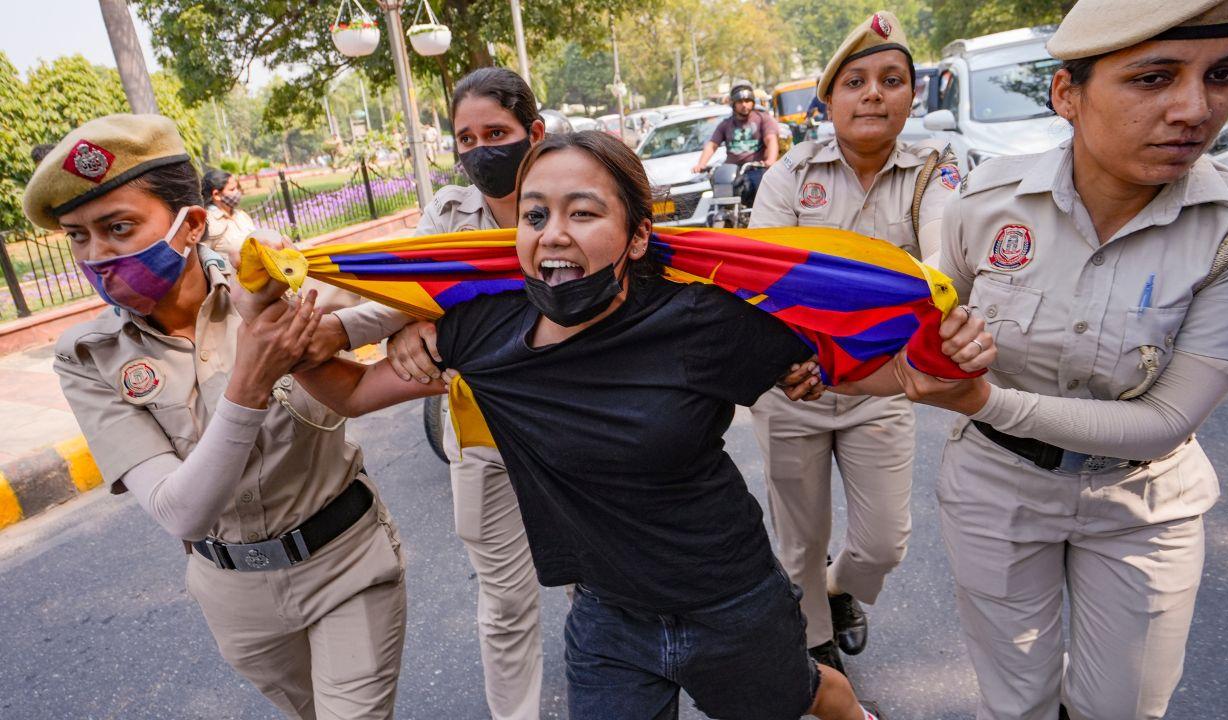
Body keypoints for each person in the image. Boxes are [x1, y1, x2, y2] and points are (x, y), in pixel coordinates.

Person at [252, 129, 995, 720]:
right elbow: (348, 395)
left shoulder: (697, 321)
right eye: (537, 214)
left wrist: (920, 373)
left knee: (805, 694)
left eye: (584, 212)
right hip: (607, 619)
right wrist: (275, 325)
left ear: (637, 237)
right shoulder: (480, 332)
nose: (553, 234)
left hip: (731, 604)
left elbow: (828, 370)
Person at [907, 1, 1228, 717]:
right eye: (1153, 78)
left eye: (1224, 74)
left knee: (1125, 709)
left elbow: (1165, 420)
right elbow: (930, 317)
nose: (1194, 110)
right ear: (1066, 94)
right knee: (1016, 705)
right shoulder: (984, 201)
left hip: (1145, 504)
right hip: (998, 489)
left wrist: (984, 399)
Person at [24, 114, 407, 720]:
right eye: (77, 236)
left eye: (118, 228)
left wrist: (403, 339)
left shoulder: (276, 289)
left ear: (192, 224)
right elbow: (182, 510)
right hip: (234, 593)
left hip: (344, 562)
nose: (97, 256)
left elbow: (417, 293)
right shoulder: (88, 358)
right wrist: (251, 381)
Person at [317, 67, 552, 720]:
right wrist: (331, 330)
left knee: (599, 581)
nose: (481, 150)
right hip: (482, 436)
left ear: (533, 133)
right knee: (504, 602)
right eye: (466, 137)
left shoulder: (572, 196)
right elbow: (398, 300)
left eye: (497, 133)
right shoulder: (450, 216)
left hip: (578, 427)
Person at [748, 10, 960, 674]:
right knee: (799, 542)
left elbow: (945, 267)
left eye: (891, 80)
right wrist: (785, 360)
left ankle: (842, 592)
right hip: (794, 385)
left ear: (911, 96)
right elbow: (761, 284)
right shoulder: (791, 175)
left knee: (883, 544)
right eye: (856, 81)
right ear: (829, 100)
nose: (873, 93)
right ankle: (818, 653)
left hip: (880, 386)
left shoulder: (935, 169)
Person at [691, 83, 780, 208]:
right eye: (740, 101)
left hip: (756, 169)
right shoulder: (726, 124)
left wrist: (770, 161)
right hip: (732, 171)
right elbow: (712, 145)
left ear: (753, 102)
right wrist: (701, 164)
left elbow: (771, 140)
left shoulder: (763, 119)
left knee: (762, 197)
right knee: (718, 202)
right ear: (733, 103)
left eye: (748, 101)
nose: (744, 105)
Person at [202, 168, 255, 265]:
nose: (238, 192)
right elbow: (204, 259)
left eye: (237, 188)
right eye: (232, 189)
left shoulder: (241, 215)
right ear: (216, 194)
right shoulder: (208, 223)